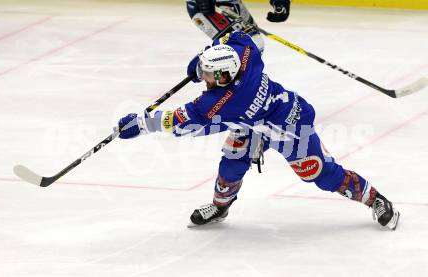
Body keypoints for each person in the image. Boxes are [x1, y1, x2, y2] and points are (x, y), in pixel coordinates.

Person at [117, 31, 400, 230]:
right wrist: (204, 56)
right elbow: (239, 35)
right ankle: (220, 207)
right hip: (253, 121)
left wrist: (142, 123)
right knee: (231, 164)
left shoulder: (220, 102)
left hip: (288, 126)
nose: (202, 77)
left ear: (223, 77)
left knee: (319, 173)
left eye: (206, 74)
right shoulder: (245, 54)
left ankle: (376, 199)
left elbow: (182, 122)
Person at [186, 0, 291, 52]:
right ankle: (227, 89)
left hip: (230, 2)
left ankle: (246, 86)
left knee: (253, 45)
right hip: (205, 5)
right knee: (244, 46)